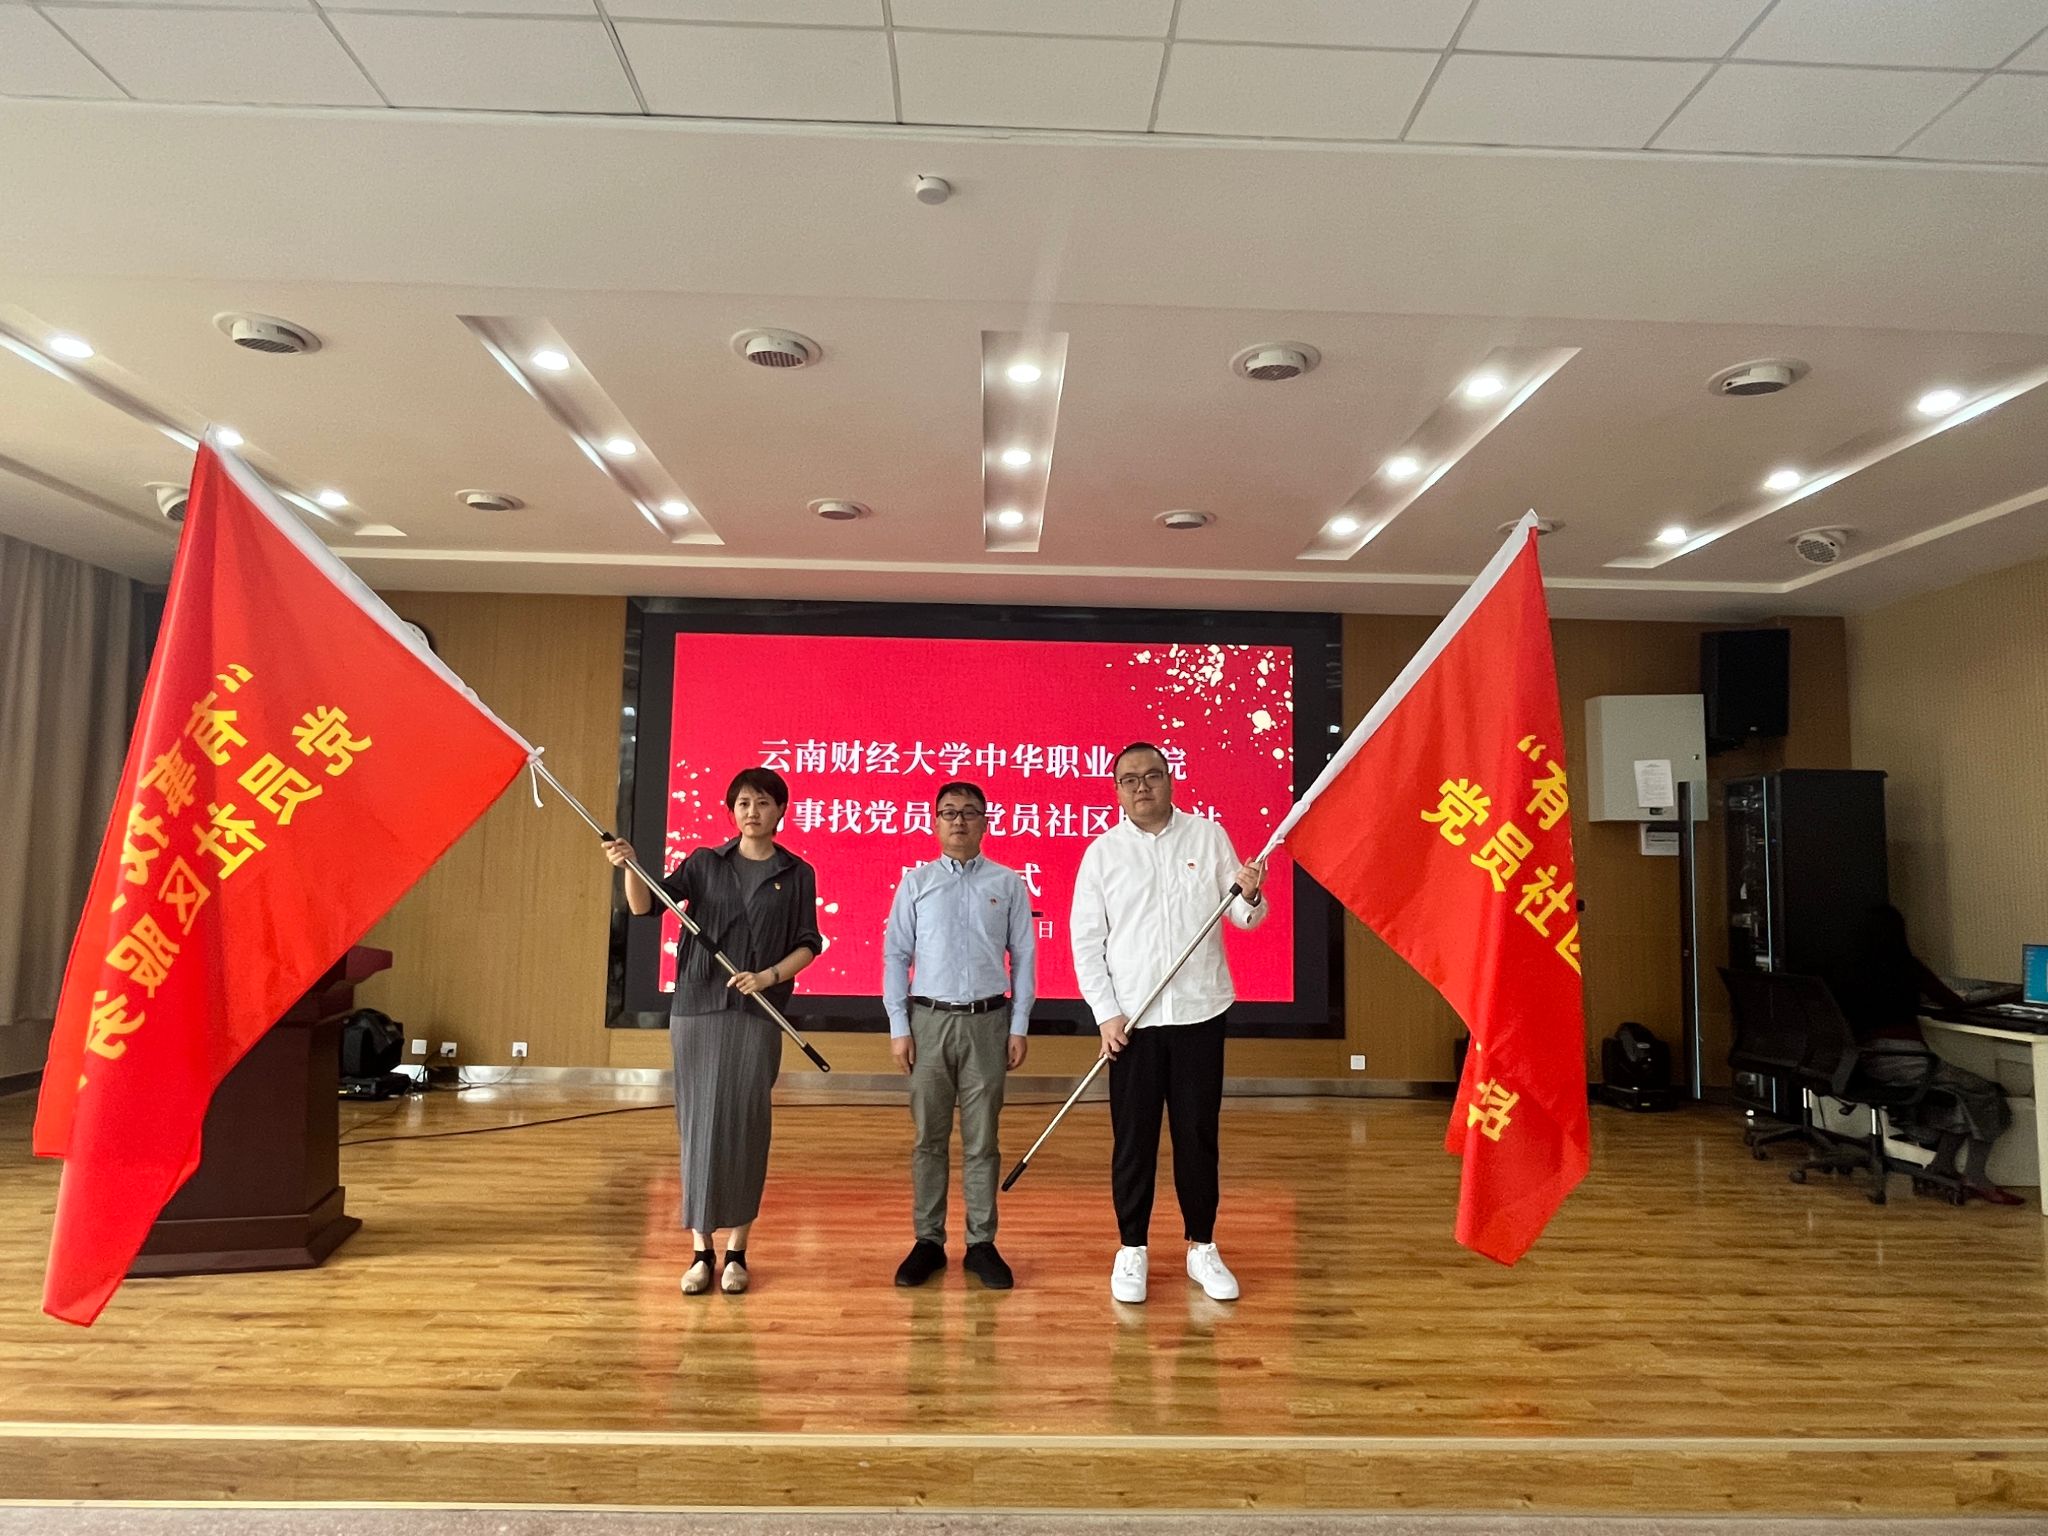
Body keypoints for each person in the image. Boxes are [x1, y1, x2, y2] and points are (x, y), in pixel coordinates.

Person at [603, 767, 824, 1295]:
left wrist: (768, 977)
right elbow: (644, 905)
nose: (753, 811)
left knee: (746, 1125)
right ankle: (701, 1251)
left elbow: (808, 943)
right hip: (697, 1008)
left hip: (757, 1013)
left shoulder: (797, 872)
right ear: (731, 811)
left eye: (763, 802)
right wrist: (629, 865)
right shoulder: (704, 862)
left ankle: (737, 1252)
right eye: (743, 802)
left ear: (780, 810)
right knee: (698, 1125)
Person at [1071, 742, 1266, 1305]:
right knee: (1134, 1140)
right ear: (1116, 791)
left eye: (1152, 775)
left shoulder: (1207, 837)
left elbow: (1243, 916)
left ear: (1170, 780)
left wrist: (1252, 892)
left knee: (1197, 1137)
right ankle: (1132, 1248)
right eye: (1129, 779)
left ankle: (1202, 1245)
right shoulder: (1102, 854)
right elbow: (1087, 943)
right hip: (1133, 1022)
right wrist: (1106, 1014)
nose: (1142, 787)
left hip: (1200, 1012)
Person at [883, 780, 1037, 1291]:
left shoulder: (1008, 883)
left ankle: (981, 1243)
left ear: (985, 822)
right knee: (928, 1138)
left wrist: (1018, 1024)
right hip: (927, 1022)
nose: (958, 821)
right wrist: (899, 1027)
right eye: (948, 812)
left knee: (982, 1140)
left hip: (988, 1023)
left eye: (969, 812)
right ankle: (928, 1241)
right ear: (935, 822)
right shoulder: (916, 883)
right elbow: (896, 956)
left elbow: (1024, 957)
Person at [1830, 903, 2019, 1205]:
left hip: (1863, 1062)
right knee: (1986, 1092)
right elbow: (1953, 1004)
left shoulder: (1843, 968)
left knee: (1957, 1095)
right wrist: (2008, 996)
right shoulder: (1905, 966)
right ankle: (1976, 1176)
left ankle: (1941, 1167)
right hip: (1907, 1061)